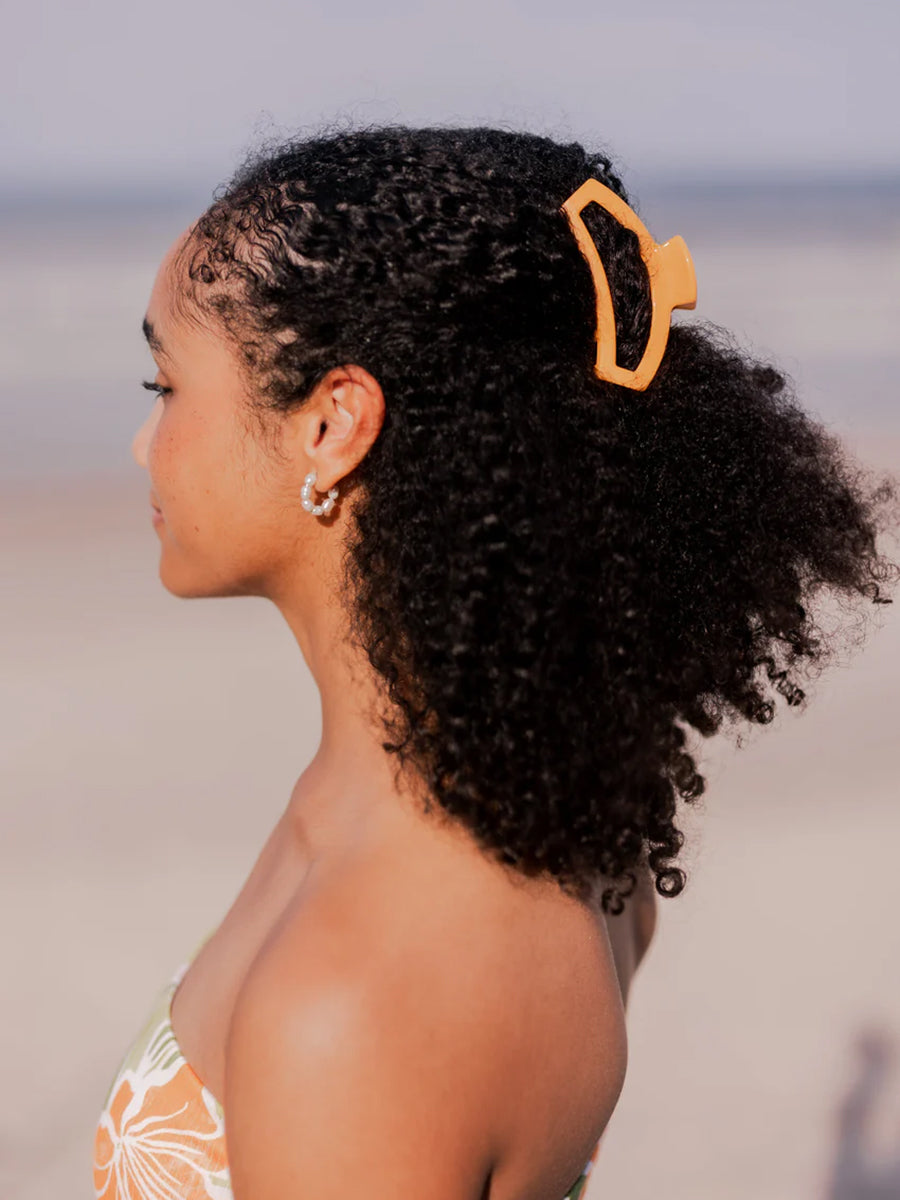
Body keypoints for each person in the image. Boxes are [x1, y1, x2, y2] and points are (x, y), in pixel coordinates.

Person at [92, 124, 899, 1200]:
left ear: (333, 424)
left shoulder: (358, 1006)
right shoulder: (551, 798)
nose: (146, 441)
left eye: (165, 386)